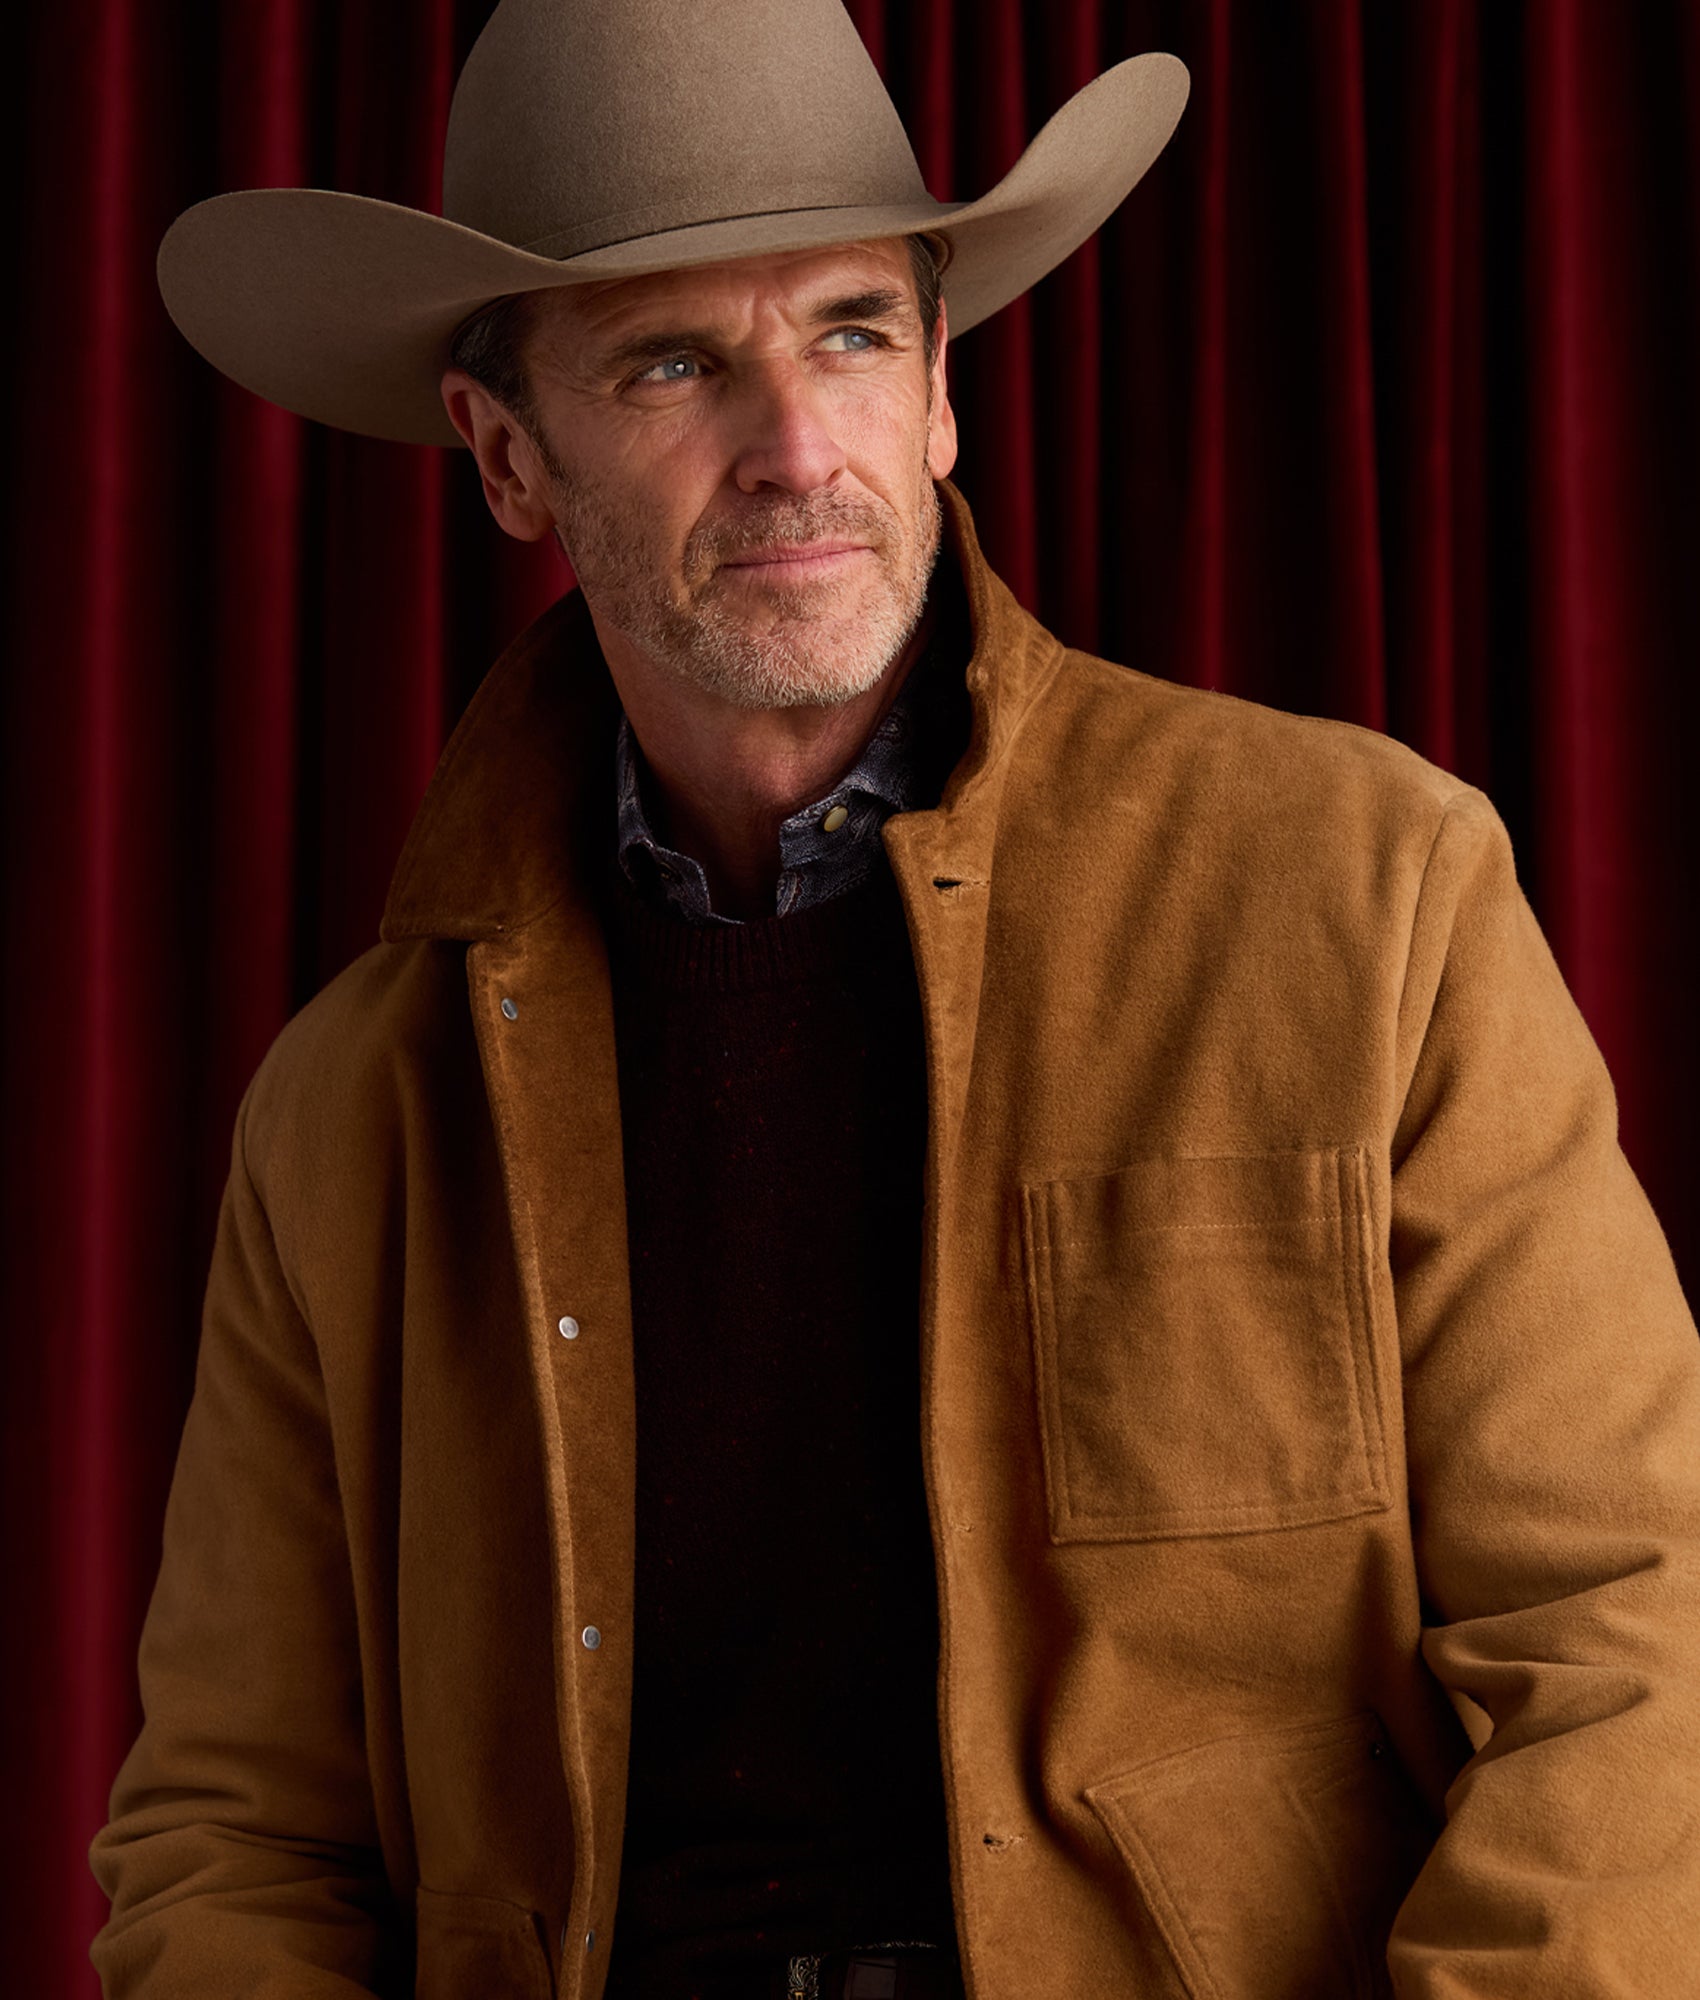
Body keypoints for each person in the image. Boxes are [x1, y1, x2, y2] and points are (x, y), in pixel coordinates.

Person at [90, 1, 1700, 1996]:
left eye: (852, 332)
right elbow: (234, 1835)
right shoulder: (349, 1109)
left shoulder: (1368, 891)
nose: (795, 448)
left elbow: (1629, 1639)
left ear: (940, 388)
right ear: (507, 455)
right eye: (674, 361)